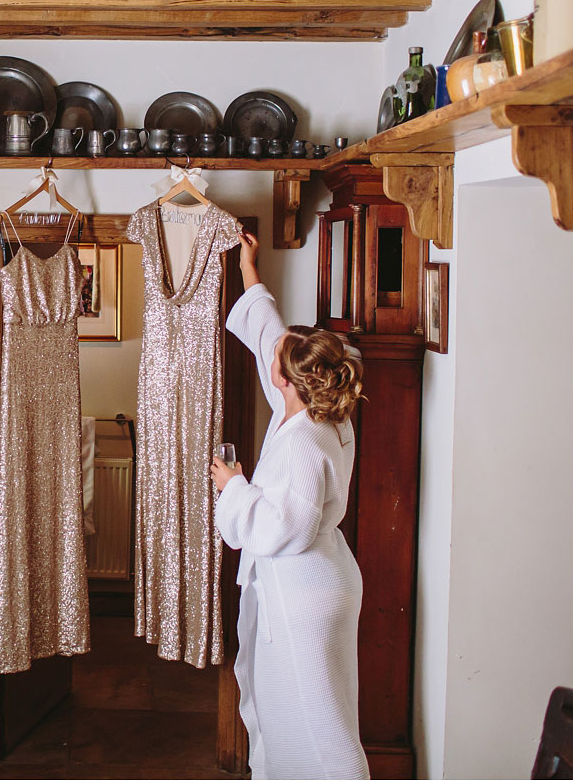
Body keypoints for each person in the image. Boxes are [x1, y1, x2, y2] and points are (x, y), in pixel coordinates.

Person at [209, 228, 369, 780]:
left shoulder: (302, 440)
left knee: (316, 724)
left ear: (286, 379)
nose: (268, 358)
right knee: (300, 714)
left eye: (274, 360)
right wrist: (248, 268)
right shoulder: (320, 412)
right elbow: (268, 336)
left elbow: (288, 525)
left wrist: (234, 486)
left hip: (303, 593)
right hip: (319, 582)